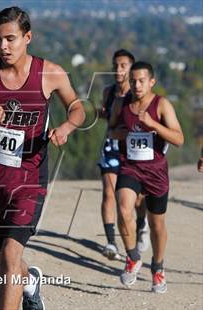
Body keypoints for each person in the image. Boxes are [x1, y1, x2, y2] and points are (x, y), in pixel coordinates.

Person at [0, 7, 85, 310]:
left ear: (27, 37)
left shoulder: (50, 73)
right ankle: (30, 281)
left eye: (11, 39)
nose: (3, 47)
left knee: (10, 258)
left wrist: (67, 127)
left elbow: (78, 108)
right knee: (5, 258)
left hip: (30, 180)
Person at [109, 61, 184, 293]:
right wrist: (120, 133)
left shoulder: (161, 105)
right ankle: (132, 257)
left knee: (156, 224)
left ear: (152, 82)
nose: (137, 85)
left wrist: (153, 125)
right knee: (123, 208)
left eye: (141, 80)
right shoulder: (121, 103)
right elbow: (111, 130)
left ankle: (158, 269)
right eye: (133, 80)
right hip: (130, 167)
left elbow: (179, 139)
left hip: (156, 172)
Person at [98, 50, 150, 260]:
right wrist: (101, 114)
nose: (118, 70)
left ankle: (140, 227)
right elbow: (108, 118)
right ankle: (111, 242)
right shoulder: (109, 92)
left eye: (123, 66)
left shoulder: (137, 94)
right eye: (115, 66)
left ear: (131, 69)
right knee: (109, 194)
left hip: (134, 149)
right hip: (111, 145)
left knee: (137, 200)